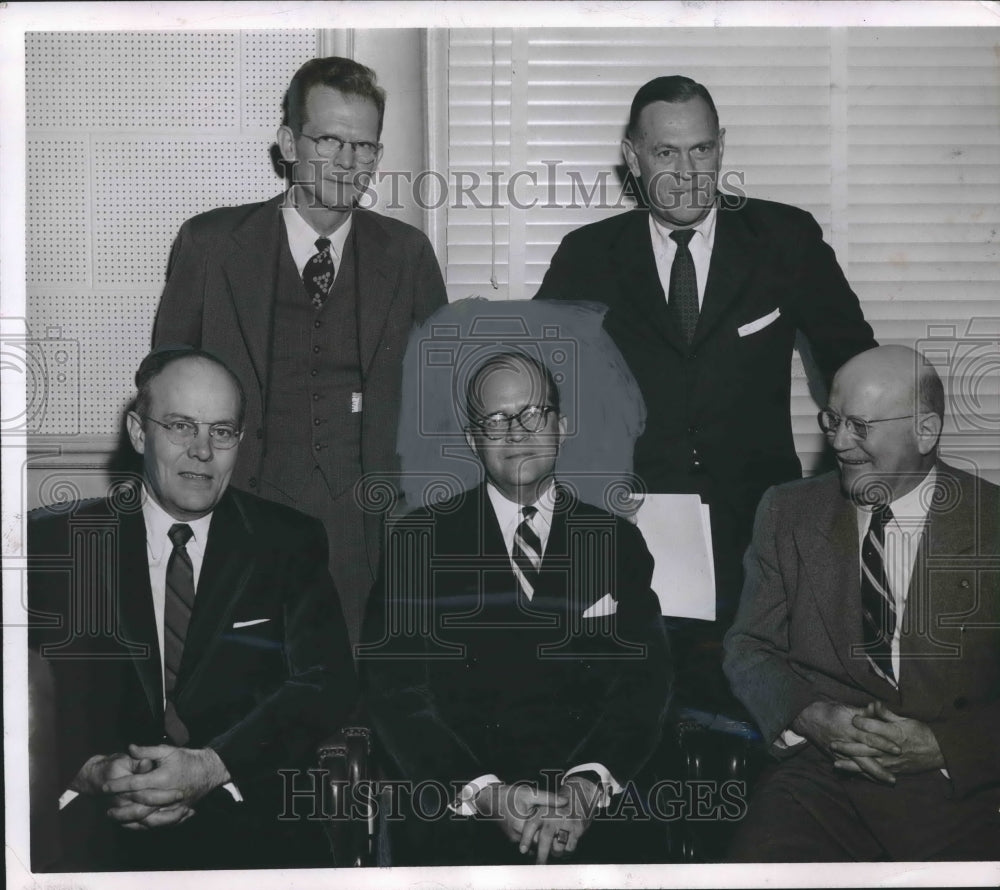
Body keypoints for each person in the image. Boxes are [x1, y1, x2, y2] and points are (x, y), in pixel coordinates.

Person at [533, 74, 878, 708]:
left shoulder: (785, 238)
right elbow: (537, 393)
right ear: (633, 157)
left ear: (722, 147)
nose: (687, 172)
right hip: (630, 531)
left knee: (762, 720)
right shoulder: (586, 256)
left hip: (764, 533)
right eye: (665, 153)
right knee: (640, 715)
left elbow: (856, 363)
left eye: (701, 151)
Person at [152, 56, 448, 644]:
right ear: (289, 143)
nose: (346, 162)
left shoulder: (408, 254)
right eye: (328, 140)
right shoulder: (210, 245)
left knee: (362, 710)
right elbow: (166, 393)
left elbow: (439, 414)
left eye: (363, 146)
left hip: (368, 532)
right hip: (240, 519)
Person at [27, 347, 357, 871]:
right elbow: (19, 693)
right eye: (181, 426)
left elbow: (326, 680)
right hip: (96, 821)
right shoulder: (54, 544)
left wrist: (211, 765)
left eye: (221, 431)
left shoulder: (287, 541)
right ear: (139, 433)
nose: (202, 451)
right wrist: (87, 771)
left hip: (245, 812)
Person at [360, 351, 672, 865]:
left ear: (562, 425)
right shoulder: (419, 540)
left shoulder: (616, 541)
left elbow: (645, 683)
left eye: (533, 413)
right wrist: (484, 794)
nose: (517, 431)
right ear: (471, 438)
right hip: (460, 813)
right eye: (496, 420)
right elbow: (396, 692)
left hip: (593, 814)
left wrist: (585, 786)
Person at [722, 345, 1000, 861]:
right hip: (819, 782)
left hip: (961, 789)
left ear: (926, 431)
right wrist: (809, 715)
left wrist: (946, 746)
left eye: (859, 425)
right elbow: (749, 648)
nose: (840, 442)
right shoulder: (788, 511)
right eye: (832, 421)